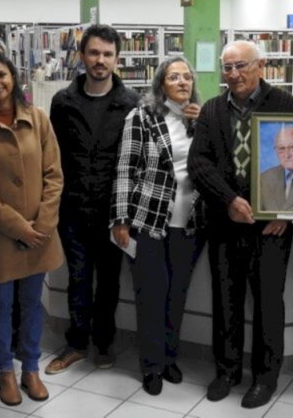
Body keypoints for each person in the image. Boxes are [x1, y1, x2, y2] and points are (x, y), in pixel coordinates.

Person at [189, 40, 293, 409]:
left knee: (269, 303)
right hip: (224, 224)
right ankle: (227, 371)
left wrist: (284, 212)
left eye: (241, 66)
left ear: (261, 66)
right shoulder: (212, 110)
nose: (234, 74)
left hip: (270, 228)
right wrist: (229, 201)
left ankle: (265, 378)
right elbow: (199, 164)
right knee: (226, 300)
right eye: (228, 68)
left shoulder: (284, 105)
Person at [0, 49, 63, 407]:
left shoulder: (38, 119)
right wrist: (18, 226)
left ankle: (30, 367)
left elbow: (54, 175)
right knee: (0, 305)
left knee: (32, 305)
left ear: (13, 77)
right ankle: (5, 370)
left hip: (40, 233)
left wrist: (44, 222)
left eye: (1, 75)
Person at [45, 24, 140, 374]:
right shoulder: (63, 102)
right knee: (78, 279)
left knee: (109, 283)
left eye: (107, 54)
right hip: (71, 210)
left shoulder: (131, 104)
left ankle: (103, 343)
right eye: (94, 53)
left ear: (117, 59)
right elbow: (53, 156)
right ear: (82, 55)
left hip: (114, 214)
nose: (100, 60)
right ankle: (75, 344)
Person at [110, 56, 204, 396]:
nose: (182, 82)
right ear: (160, 83)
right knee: (151, 295)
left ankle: (168, 358)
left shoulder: (200, 118)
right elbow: (125, 168)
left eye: (187, 77)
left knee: (176, 296)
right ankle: (150, 365)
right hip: (148, 219)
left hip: (190, 224)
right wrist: (120, 219)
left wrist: (205, 123)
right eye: (173, 77)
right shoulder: (142, 116)